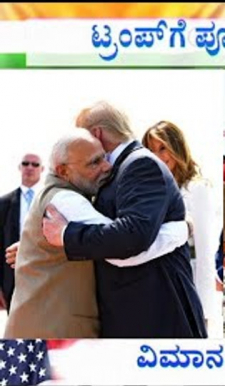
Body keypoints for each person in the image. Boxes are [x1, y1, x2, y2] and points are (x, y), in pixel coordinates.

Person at [42, 101, 208, 337]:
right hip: (138, 311)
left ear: (96, 134)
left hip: (155, 313)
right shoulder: (121, 167)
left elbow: (131, 237)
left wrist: (67, 235)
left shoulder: (140, 164)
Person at [5, 131, 189, 338]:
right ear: (63, 171)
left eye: (104, 157)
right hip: (55, 333)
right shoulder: (67, 201)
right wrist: (179, 231)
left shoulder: (63, 193)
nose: (107, 167)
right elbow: (124, 247)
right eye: (94, 163)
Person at [142, 120, 224, 338]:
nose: (158, 156)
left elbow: (205, 250)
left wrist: (203, 309)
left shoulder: (196, 188)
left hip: (190, 278)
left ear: (176, 147)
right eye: (151, 150)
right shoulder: (150, 188)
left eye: (163, 148)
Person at [0, 153, 43, 312]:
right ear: (20, 167)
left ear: (42, 169)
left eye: (35, 164)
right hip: (12, 279)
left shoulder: (51, 200)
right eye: (26, 164)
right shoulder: (3, 203)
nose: (30, 168)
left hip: (44, 275)